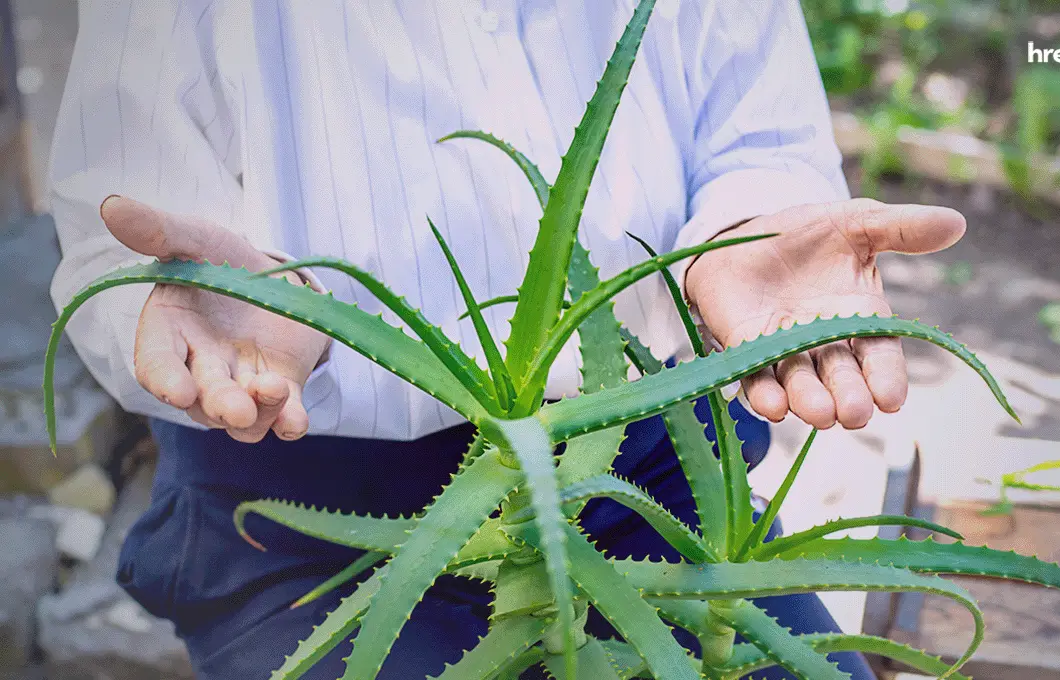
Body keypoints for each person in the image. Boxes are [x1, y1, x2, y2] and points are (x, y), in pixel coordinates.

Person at [49, 2, 966, 678]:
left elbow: (756, 135)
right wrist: (191, 311)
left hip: (647, 484)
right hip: (311, 522)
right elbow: (120, 230)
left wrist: (751, 228)